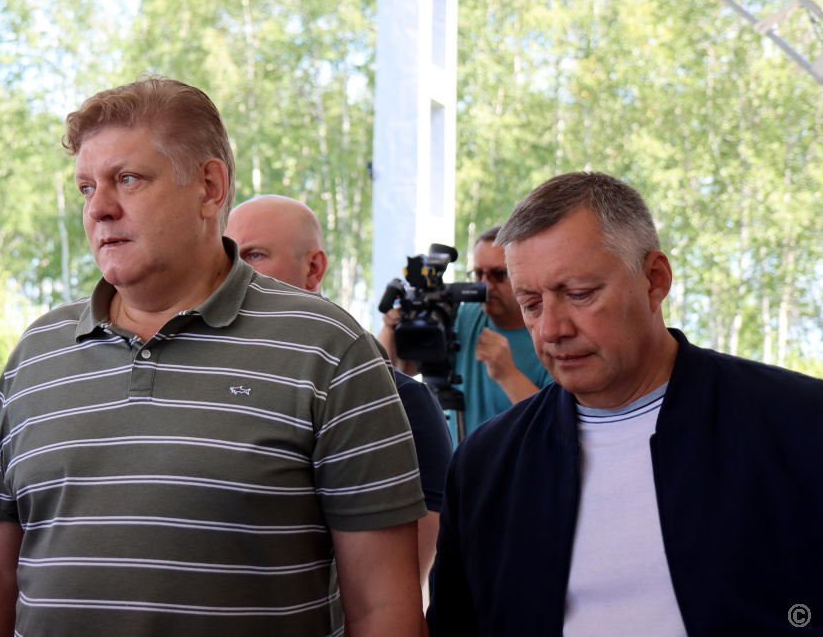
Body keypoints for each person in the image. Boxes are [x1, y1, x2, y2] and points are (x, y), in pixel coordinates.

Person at [0, 77, 428, 637]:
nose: (99, 208)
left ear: (209, 187)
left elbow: (384, 609)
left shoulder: (329, 349)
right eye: (86, 188)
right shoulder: (37, 352)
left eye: (128, 179)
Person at [427, 171, 823, 636]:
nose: (552, 329)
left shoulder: (800, 424)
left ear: (655, 280)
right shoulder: (484, 464)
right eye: (531, 303)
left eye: (579, 295)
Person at [225, 194, 453, 597]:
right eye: (226, 256)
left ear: (314, 268)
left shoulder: (402, 402)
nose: (234, 272)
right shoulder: (203, 386)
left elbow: (390, 598)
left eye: (255, 255)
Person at [379, 225, 551, 442]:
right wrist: (391, 326)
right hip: (460, 458)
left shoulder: (547, 331)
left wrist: (509, 375)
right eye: (478, 274)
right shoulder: (463, 313)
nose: (486, 285)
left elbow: (553, 425)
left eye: (498, 274)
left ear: (521, 273)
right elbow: (399, 369)